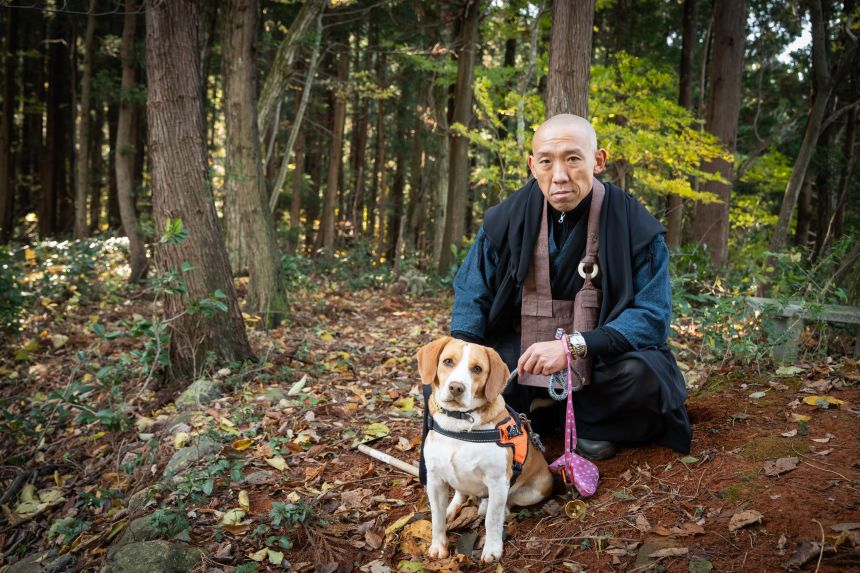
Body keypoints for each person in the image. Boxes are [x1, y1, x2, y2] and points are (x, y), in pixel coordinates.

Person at [450, 114, 691, 460]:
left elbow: (652, 316)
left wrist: (572, 347)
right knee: (466, 372)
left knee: (645, 376)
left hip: (600, 358)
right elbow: (472, 292)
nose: (559, 175)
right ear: (533, 166)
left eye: (574, 159)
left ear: (599, 160)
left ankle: (579, 421)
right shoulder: (504, 220)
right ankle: (541, 413)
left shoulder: (635, 226)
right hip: (522, 355)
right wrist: (464, 356)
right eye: (547, 162)